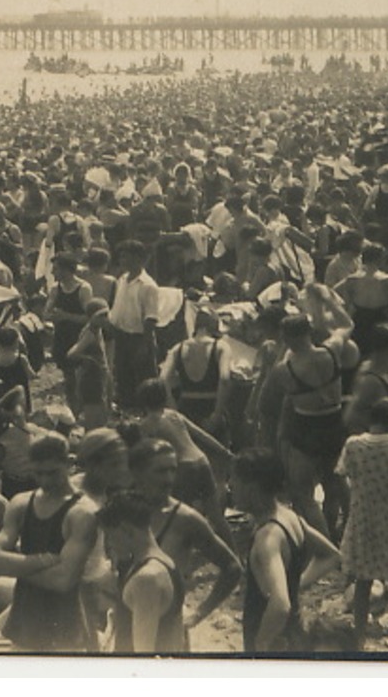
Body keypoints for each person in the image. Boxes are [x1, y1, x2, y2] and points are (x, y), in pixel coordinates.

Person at [0, 430, 118, 653]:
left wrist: (17, 565)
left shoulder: (83, 512)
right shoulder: (21, 503)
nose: (45, 481)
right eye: (38, 474)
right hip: (25, 621)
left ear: (68, 463)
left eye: (52, 473)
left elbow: (64, 580)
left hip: (66, 627)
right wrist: (43, 561)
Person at [231, 447, 342, 653]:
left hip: (276, 641)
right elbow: (331, 556)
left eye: (235, 481)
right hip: (294, 631)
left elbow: (280, 606)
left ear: (252, 487)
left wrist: (261, 644)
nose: (231, 487)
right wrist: (296, 584)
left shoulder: (267, 540)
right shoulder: (289, 517)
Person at [127, 438, 242, 633]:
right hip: (125, 622)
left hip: (165, 629)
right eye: (160, 471)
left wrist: (197, 615)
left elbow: (232, 567)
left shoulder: (185, 519)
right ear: (137, 473)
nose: (169, 479)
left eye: (173, 470)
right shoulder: (122, 509)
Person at [338, 398, 388, 651]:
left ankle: (359, 637)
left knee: (362, 579)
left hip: (364, 514)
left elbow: (344, 474)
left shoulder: (353, 444)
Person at [270, 313, 353, 539]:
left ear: (286, 338)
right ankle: (350, 529)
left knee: (302, 492)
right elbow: (346, 325)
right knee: (335, 480)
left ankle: (323, 539)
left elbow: (275, 383)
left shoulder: (285, 368)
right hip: (335, 420)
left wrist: (281, 349)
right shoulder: (331, 349)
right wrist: (326, 306)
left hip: (307, 425)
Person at [131, 379, 231, 541]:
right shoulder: (175, 415)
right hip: (201, 460)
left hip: (183, 467)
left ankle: (180, 549)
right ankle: (233, 552)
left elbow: (145, 453)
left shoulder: (146, 425)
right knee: (216, 516)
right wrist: (224, 452)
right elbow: (202, 435)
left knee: (177, 515)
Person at [99, 491, 187, 653]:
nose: (109, 544)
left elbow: (143, 652)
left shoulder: (147, 579)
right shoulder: (166, 563)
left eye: (110, 536)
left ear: (126, 530)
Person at [107, 240, 163, 409]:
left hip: (139, 338)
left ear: (138, 258)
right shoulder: (122, 280)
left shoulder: (148, 286)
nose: (122, 260)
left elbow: (151, 318)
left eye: (126, 257)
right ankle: (127, 411)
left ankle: (144, 413)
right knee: (123, 377)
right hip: (121, 335)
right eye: (121, 257)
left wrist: (145, 346)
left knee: (143, 379)